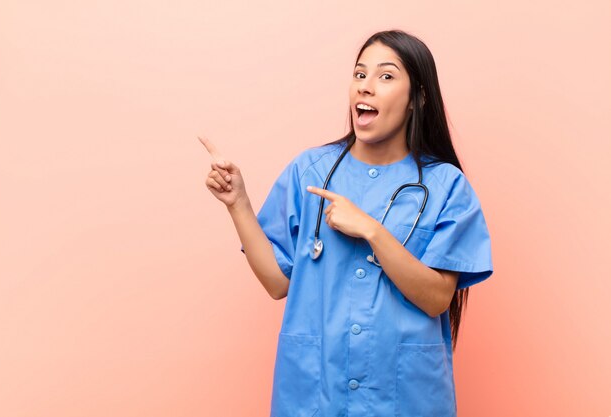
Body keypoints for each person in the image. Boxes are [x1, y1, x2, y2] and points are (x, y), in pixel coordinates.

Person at [200, 29, 493, 417]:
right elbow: (276, 282)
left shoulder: (445, 186)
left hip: (405, 397)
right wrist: (238, 204)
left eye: (386, 77)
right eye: (359, 75)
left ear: (417, 98)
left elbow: (438, 297)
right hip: (316, 392)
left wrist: (371, 230)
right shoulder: (310, 170)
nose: (366, 88)